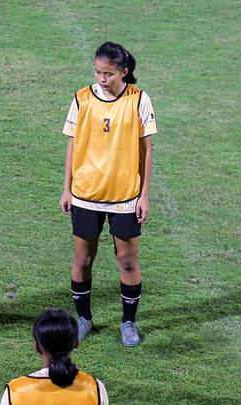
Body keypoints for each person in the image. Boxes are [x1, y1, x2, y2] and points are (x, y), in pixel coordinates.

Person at [59, 42, 156, 347]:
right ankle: (84, 318)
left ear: (123, 72)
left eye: (108, 73)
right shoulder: (82, 98)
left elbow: (146, 151)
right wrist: (66, 188)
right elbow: (72, 145)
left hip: (125, 196)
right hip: (85, 194)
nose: (101, 79)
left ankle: (128, 322)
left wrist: (144, 195)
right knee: (83, 257)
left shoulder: (138, 100)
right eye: (97, 72)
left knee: (127, 260)